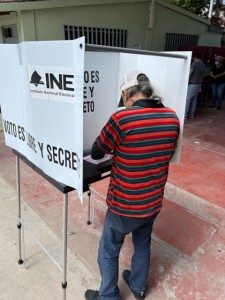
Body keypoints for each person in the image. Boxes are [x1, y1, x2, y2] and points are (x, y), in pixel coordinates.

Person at [84, 71, 180, 300]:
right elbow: (166, 152)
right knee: (143, 244)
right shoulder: (172, 117)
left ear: (126, 94)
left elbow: (98, 152)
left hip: (124, 204)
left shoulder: (122, 119)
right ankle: (137, 287)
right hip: (152, 201)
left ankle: (108, 296)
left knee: (108, 251)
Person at [184, 52, 205, 119]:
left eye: (193, 58)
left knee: (188, 99)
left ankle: (185, 114)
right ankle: (192, 114)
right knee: (194, 99)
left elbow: (190, 72)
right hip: (199, 83)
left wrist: (186, 80)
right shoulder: (203, 64)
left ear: (195, 57)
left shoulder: (195, 63)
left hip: (193, 83)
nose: (192, 59)